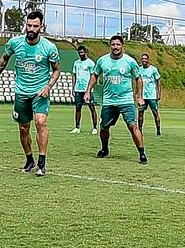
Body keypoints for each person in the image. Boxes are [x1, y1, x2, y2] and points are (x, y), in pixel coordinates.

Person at [0, 10, 61, 175]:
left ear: (41, 27)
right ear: (25, 25)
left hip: (40, 92)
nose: (31, 29)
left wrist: (48, 87)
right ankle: (29, 160)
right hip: (21, 92)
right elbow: (4, 59)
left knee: (40, 122)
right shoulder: (15, 43)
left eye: (35, 26)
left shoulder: (49, 47)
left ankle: (42, 162)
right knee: (23, 128)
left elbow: (56, 70)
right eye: (29, 25)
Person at [94, 35, 149, 164]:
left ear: (122, 46)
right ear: (110, 46)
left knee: (132, 125)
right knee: (103, 128)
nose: (115, 47)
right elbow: (95, 75)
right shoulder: (102, 61)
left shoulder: (130, 61)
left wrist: (139, 96)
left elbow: (138, 79)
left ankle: (142, 153)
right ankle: (104, 149)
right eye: (113, 44)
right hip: (109, 101)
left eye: (118, 45)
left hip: (126, 100)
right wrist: (87, 91)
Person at [69, 45, 98, 133]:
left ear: (85, 52)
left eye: (82, 52)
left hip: (87, 90)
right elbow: (74, 75)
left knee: (92, 107)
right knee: (78, 108)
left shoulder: (90, 63)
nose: (81, 54)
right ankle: (77, 127)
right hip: (78, 89)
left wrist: (89, 89)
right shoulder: (76, 63)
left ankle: (95, 128)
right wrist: (73, 87)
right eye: (79, 52)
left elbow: (93, 76)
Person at [135, 52, 163, 136]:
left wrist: (158, 93)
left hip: (151, 95)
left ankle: (158, 131)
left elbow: (158, 81)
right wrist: (136, 93)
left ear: (148, 60)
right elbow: (137, 81)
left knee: (155, 113)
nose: (144, 60)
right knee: (140, 113)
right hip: (143, 96)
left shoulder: (153, 69)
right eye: (142, 59)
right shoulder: (139, 69)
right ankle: (140, 131)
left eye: (145, 59)